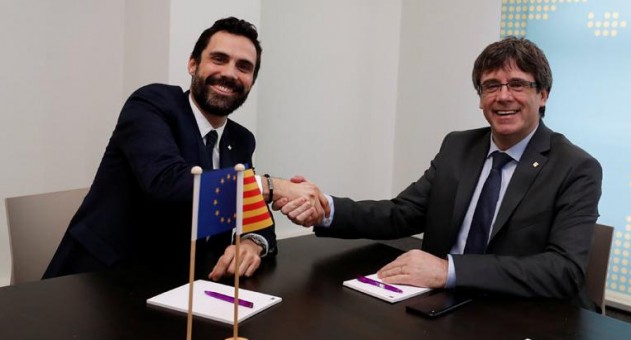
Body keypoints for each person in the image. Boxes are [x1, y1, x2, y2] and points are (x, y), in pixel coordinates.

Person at [277, 37, 602, 309]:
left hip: (527, 314)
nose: (503, 96)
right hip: (443, 306)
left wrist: (450, 269)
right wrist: (326, 209)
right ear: (480, 99)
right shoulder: (459, 147)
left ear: (542, 95)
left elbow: (564, 271)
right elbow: (400, 214)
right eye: (491, 86)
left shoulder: (576, 168)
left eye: (517, 84)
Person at [44, 17, 326, 283]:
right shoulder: (152, 104)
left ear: (251, 81)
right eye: (219, 59)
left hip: (183, 286)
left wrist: (251, 244)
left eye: (244, 67)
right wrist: (271, 186)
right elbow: (168, 183)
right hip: (98, 283)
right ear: (193, 64)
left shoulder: (241, 139)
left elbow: (255, 216)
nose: (229, 73)